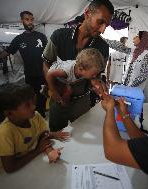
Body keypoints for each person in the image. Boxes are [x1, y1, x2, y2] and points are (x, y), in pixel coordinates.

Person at [42, 0, 114, 130]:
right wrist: (53, 91)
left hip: (82, 101)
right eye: (100, 22)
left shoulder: (103, 47)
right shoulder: (59, 36)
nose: (103, 30)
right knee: (57, 135)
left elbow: (95, 76)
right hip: (58, 97)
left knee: (81, 133)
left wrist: (98, 85)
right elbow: (46, 63)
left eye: (106, 25)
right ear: (87, 14)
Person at [0, 83, 69, 173]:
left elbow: (42, 135)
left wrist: (49, 150)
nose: (34, 106)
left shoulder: (35, 116)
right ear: (9, 114)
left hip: (32, 161)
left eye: (32, 102)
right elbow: (10, 167)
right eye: (27, 105)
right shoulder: (4, 133)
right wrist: (38, 150)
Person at [0, 11, 48, 117]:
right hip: (30, 75)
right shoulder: (19, 39)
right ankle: (34, 117)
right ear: (22, 21)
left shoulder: (41, 36)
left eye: (31, 19)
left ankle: (42, 116)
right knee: (31, 98)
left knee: (43, 97)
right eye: (27, 19)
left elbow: (49, 55)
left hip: (43, 75)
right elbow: (6, 52)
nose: (30, 22)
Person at [47, 48, 104, 131]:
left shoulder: (82, 70)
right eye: (93, 74)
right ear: (81, 69)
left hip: (68, 81)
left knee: (69, 91)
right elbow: (49, 74)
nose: (94, 76)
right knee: (64, 97)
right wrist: (54, 91)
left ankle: (65, 102)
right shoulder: (65, 71)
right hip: (56, 77)